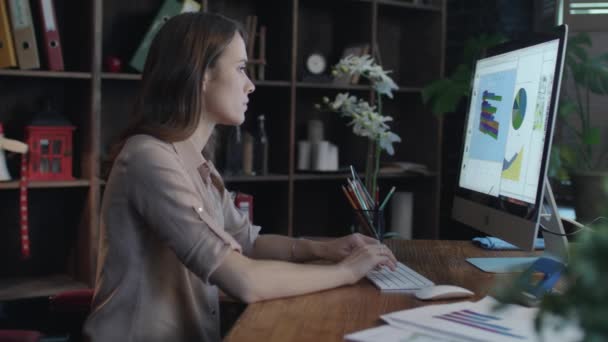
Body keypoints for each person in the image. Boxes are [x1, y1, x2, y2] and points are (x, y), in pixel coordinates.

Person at [83, 11, 397, 342]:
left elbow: (247, 242)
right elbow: (244, 281)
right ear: (202, 74)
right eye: (241, 68)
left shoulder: (196, 160)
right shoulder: (149, 159)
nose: (251, 84)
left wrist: (325, 249)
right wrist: (346, 272)